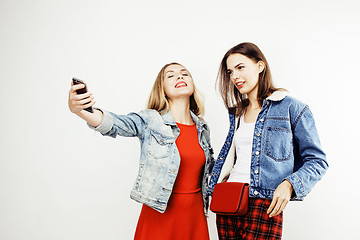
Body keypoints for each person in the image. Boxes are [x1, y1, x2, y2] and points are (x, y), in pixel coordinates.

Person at [68, 63, 214, 240]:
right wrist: (82, 111)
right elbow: (116, 123)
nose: (180, 77)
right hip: (160, 215)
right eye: (171, 75)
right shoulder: (150, 120)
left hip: (194, 216)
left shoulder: (201, 127)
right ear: (162, 89)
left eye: (185, 74)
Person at [207, 42, 329, 240]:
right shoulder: (237, 112)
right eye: (230, 72)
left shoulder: (292, 108)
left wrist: (289, 185)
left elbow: (317, 161)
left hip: (264, 202)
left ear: (260, 66)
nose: (235, 76)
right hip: (229, 199)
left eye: (240, 67)